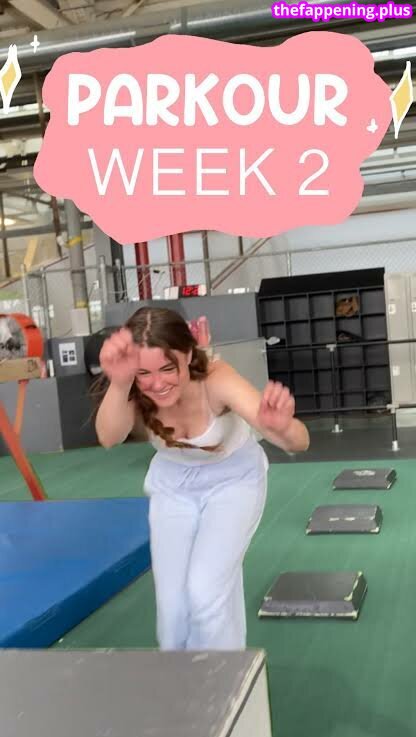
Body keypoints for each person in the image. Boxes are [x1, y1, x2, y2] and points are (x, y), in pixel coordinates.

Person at [95, 306, 309, 651]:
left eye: (168, 368)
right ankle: (182, 674)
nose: (157, 383)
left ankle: (221, 673)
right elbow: (108, 437)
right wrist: (120, 384)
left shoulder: (215, 379)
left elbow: (299, 442)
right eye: (144, 373)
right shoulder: (134, 387)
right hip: (173, 487)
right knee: (172, 612)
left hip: (233, 481)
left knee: (206, 591)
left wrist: (282, 427)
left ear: (189, 355)